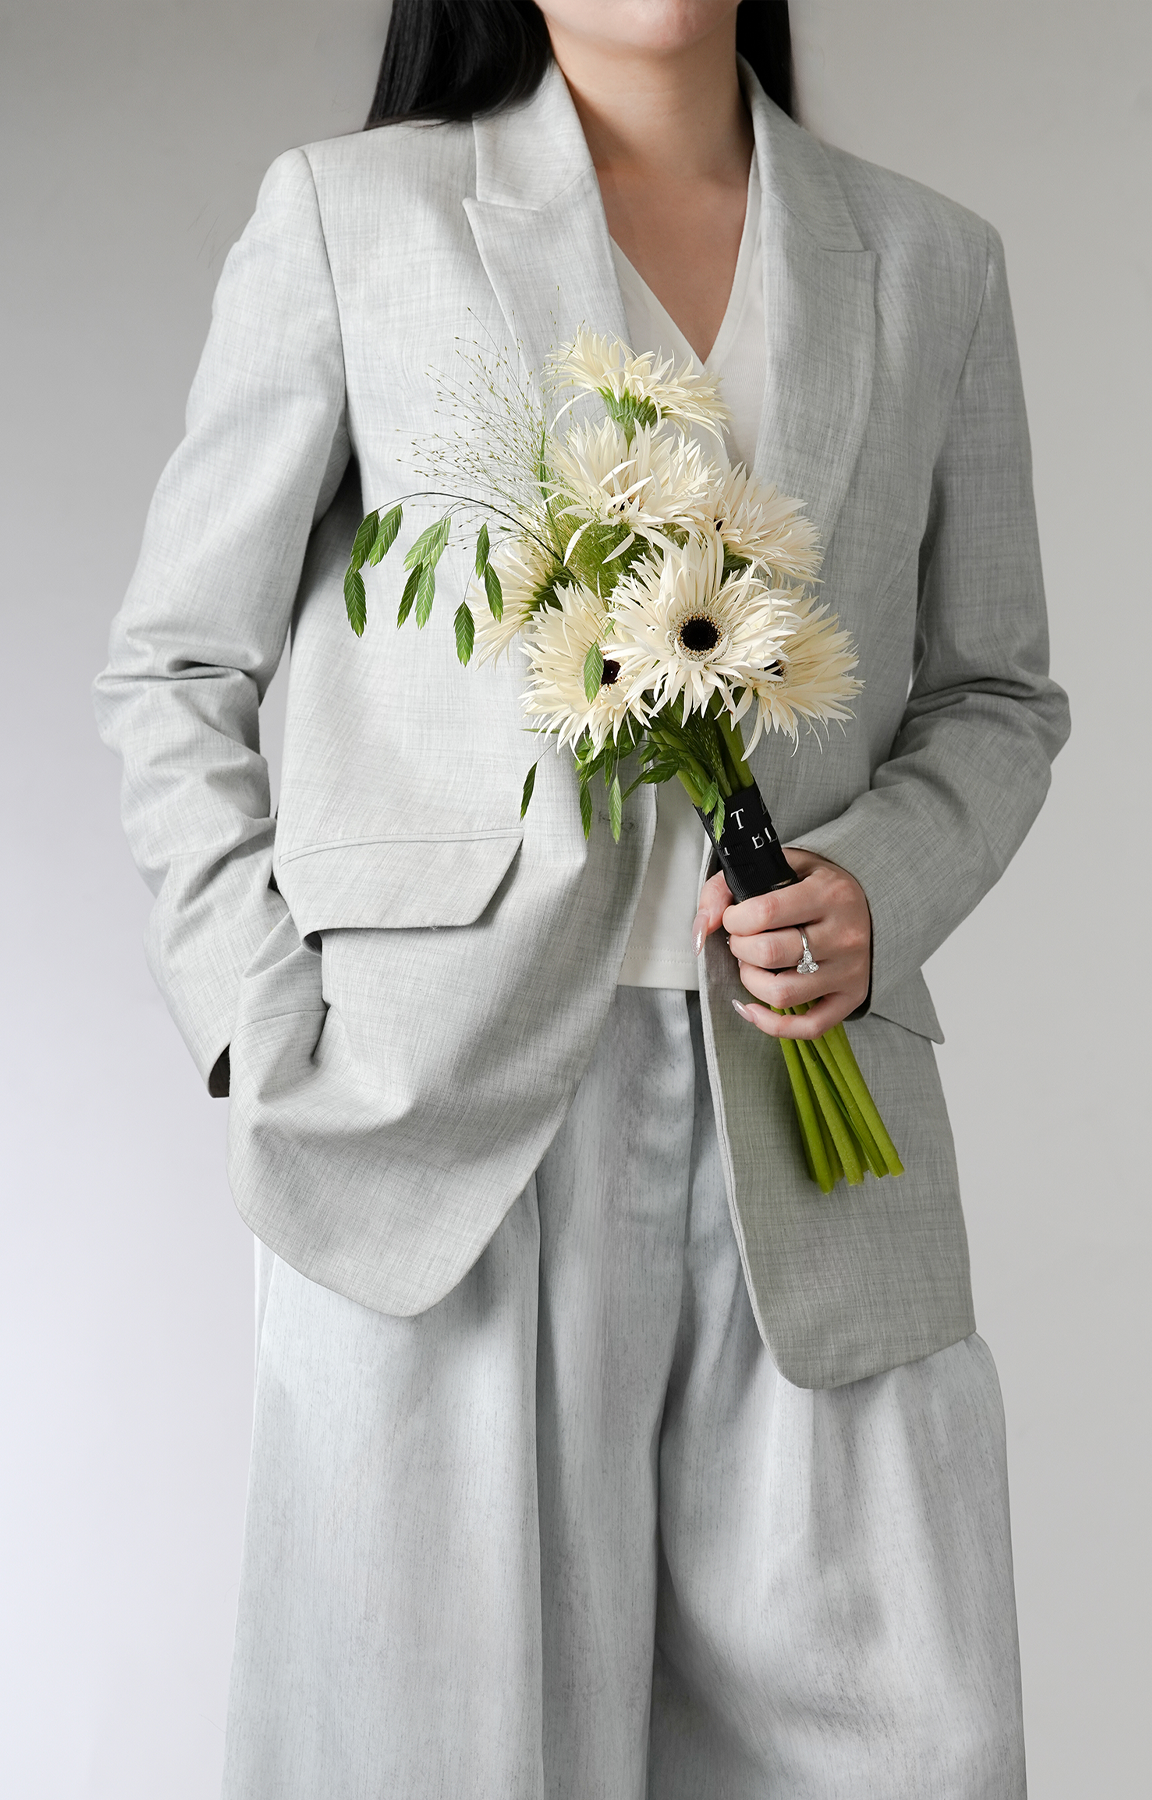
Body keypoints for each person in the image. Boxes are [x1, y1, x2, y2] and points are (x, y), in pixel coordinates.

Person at [95, 2, 1069, 1794]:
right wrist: (265, 1038)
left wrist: (878, 887)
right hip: (441, 1132)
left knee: (912, 1743)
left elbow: (999, 691)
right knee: (434, 1752)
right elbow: (172, 670)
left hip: (815, 1135)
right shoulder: (352, 215)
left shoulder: (934, 260)